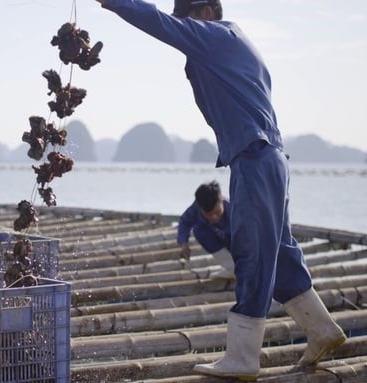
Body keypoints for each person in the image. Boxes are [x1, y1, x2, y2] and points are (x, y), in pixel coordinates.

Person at [95, 0, 345, 380]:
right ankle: (322, 329)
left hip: (254, 158)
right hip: (272, 157)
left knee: (252, 255)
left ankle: (243, 357)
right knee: (280, 250)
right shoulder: (238, 39)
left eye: (188, 21)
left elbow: (156, 21)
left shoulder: (214, 36)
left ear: (206, 12)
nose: (185, 30)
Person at [177, 180, 234, 279]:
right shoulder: (196, 208)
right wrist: (184, 243)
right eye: (209, 214)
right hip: (219, 240)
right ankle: (232, 268)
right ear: (200, 208)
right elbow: (184, 222)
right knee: (198, 230)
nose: (214, 217)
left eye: (217, 212)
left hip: (238, 243)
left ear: (221, 199)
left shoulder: (234, 209)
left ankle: (242, 268)